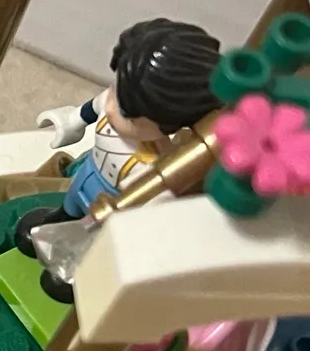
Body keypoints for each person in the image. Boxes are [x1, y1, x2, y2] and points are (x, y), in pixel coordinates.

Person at [15, 18, 223, 301]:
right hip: (88, 173)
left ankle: (78, 267)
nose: (112, 109)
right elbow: (95, 106)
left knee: (93, 237)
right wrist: (72, 121)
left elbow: (156, 199)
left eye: (128, 116)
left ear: (169, 124)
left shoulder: (152, 163)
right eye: (115, 90)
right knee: (70, 204)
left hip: (112, 199)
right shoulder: (117, 99)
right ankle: (55, 223)